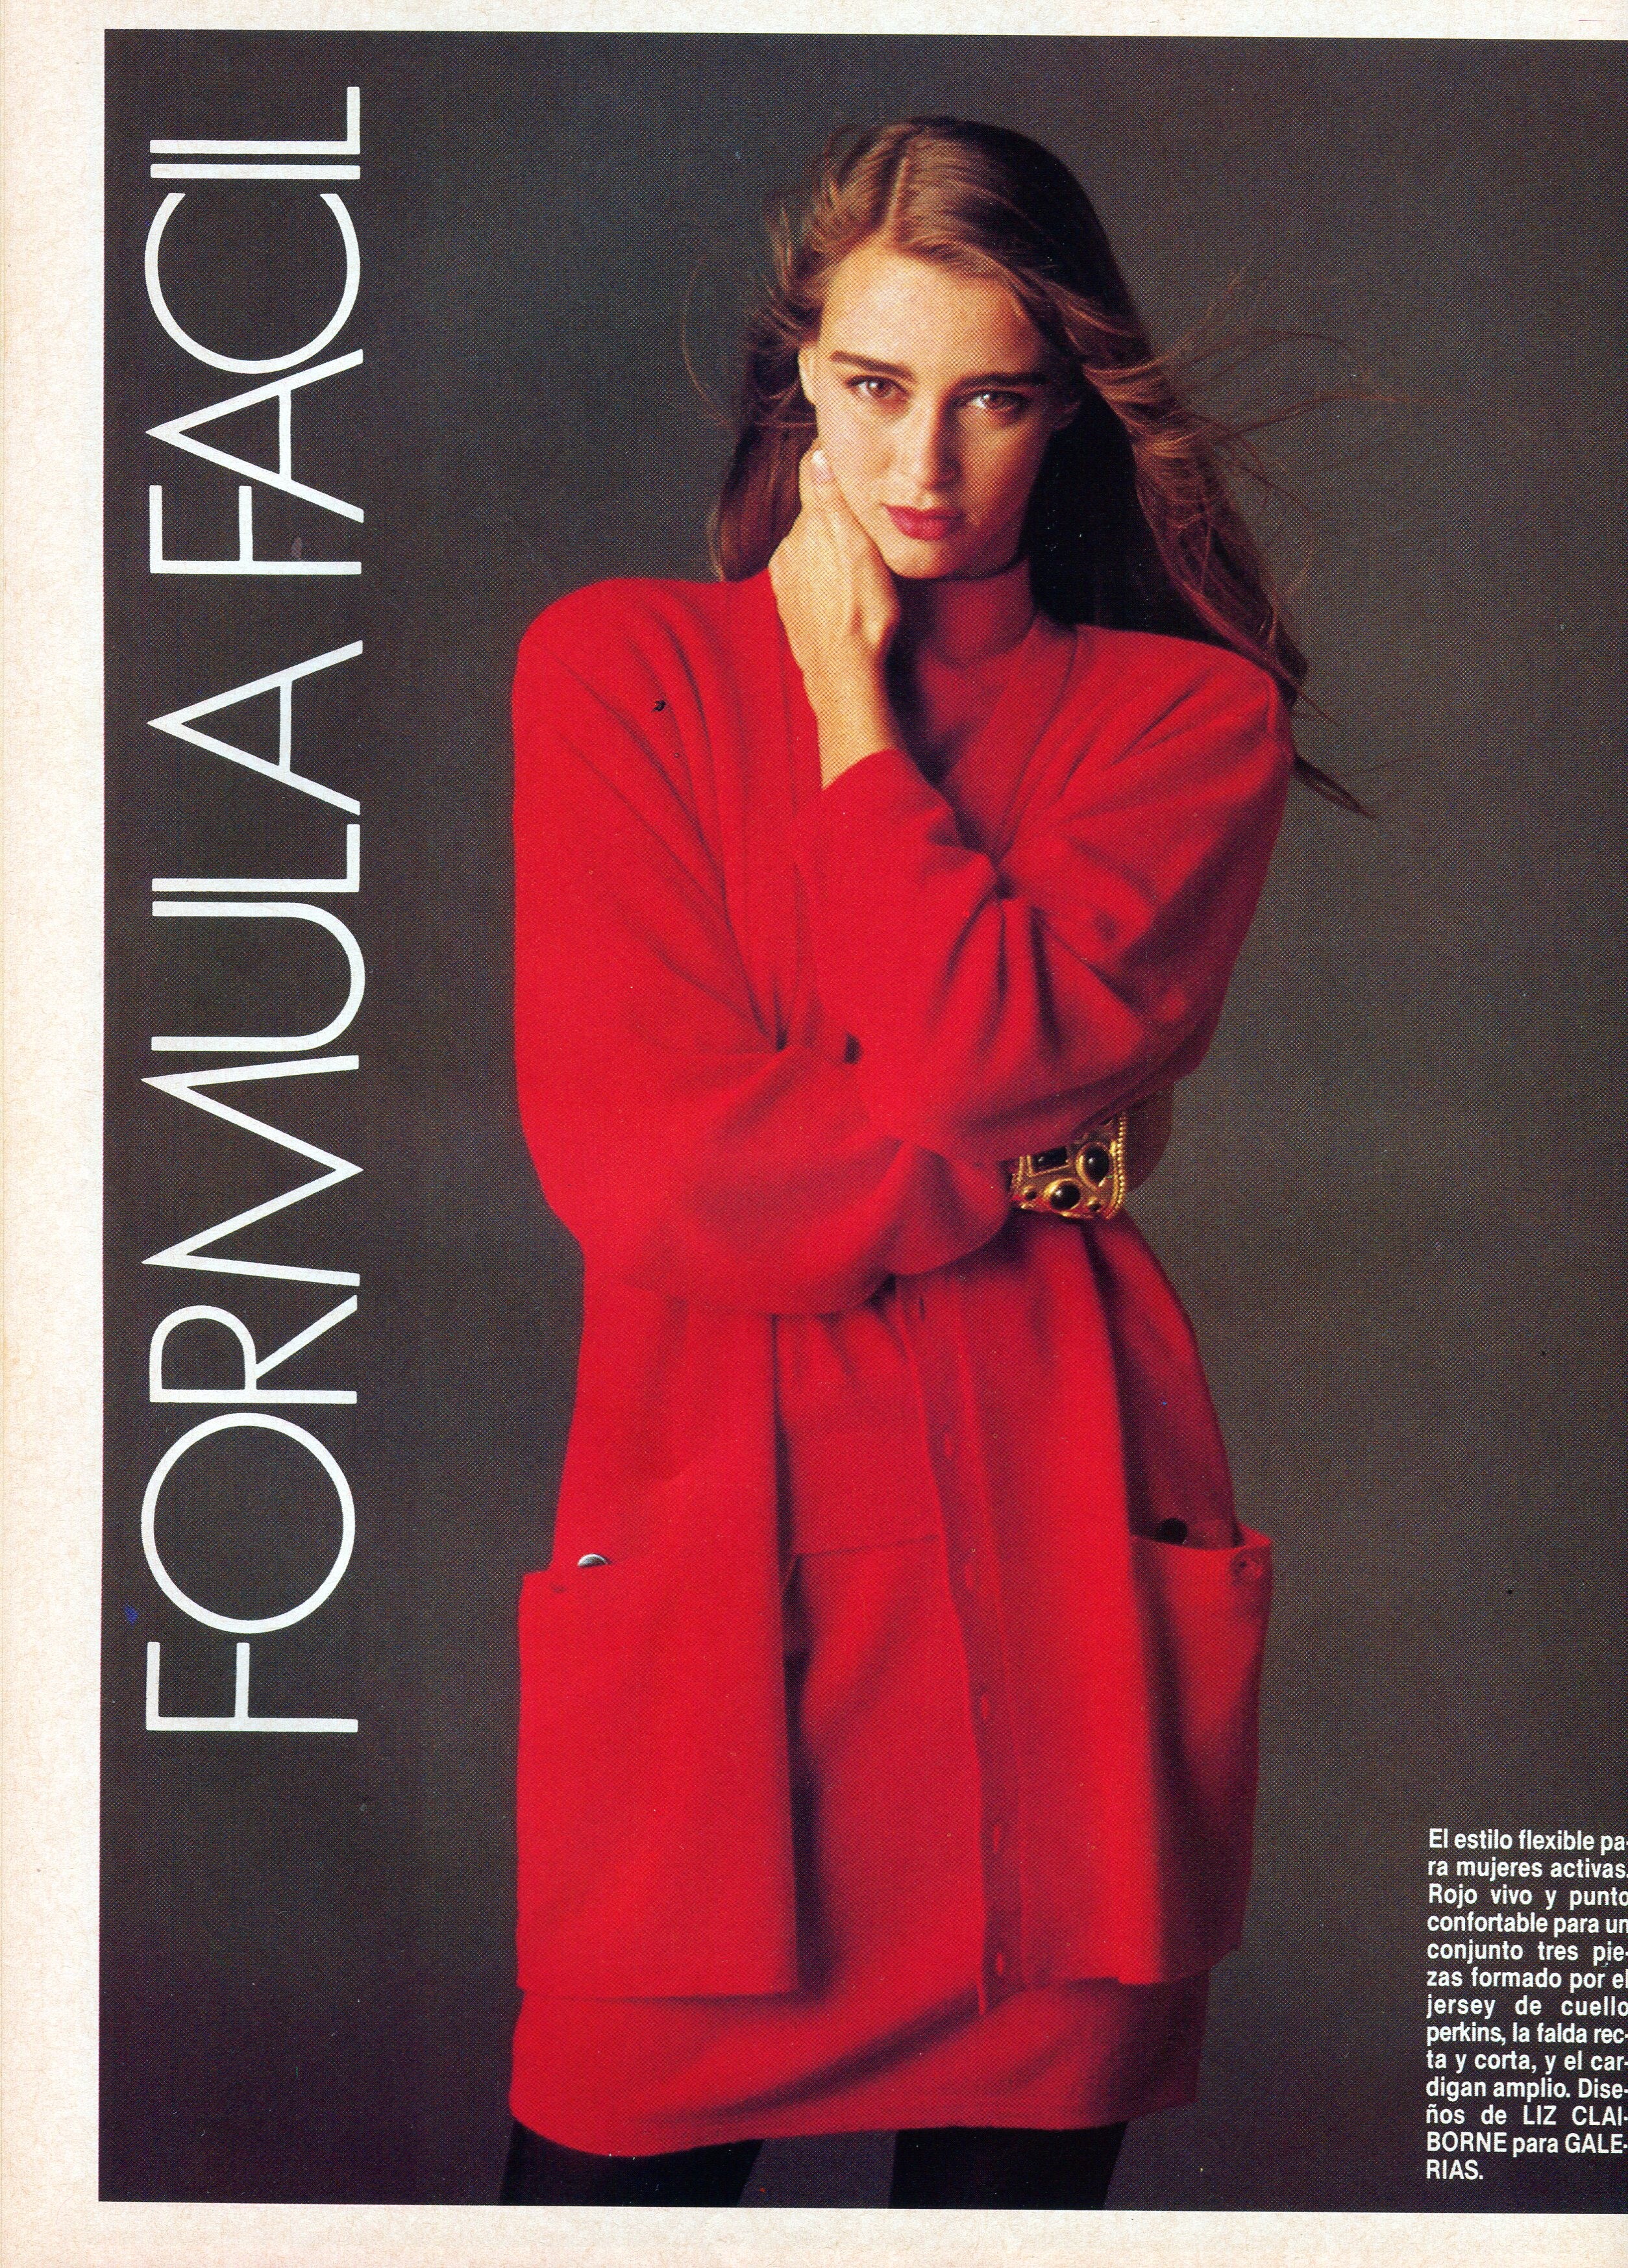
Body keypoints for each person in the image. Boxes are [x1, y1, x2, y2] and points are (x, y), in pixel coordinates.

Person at [503, 116, 1345, 2211]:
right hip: (713, 1587)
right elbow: (649, 1180)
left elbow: (968, 1054)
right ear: (797, 370)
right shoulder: (618, 668)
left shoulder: (1185, 722)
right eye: (875, 386)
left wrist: (848, 709)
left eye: (995, 399)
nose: (923, 462)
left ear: (1068, 412)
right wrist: (1038, 1161)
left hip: (1057, 1591)